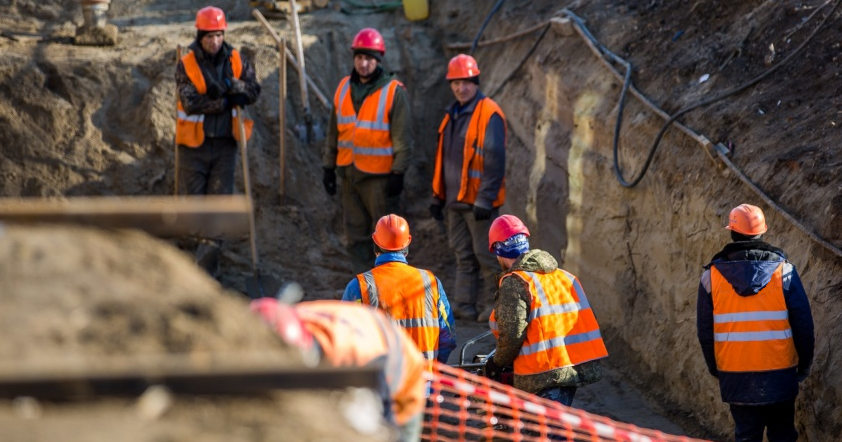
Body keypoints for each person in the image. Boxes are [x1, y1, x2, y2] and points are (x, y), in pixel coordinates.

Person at [697, 204, 814, 442]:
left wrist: (714, 367)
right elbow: (803, 323)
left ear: (732, 233)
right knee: (782, 434)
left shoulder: (711, 277)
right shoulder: (785, 272)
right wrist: (803, 364)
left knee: (747, 436)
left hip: (735, 374)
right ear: (762, 233)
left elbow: (705, 331)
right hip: (780, 374)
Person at [251, 297, 426, 442]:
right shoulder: (284, 322)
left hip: (405, 380)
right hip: (363, 329)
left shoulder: (356, 355)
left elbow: (379, 421)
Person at [484, 214, 607, 407]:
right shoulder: (564, 277)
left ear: (497, 250)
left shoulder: (515, 282)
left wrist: (496, 364)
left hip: (543, 371)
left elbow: (512, 334)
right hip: (573, 368)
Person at [175, 5, 261, 275]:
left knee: (219, 203)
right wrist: (223, 100)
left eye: (218, 35)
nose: (214, 41)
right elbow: (190, 102)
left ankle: (206, 270)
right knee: (194, 206)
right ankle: (189, 258)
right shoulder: (186, 63)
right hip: (193, 146)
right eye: (209, 36)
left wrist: (238, 89)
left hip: (225, 143)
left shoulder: (236, 59)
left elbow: (253, 89)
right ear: (200, 35)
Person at [322, 27, 414, 271]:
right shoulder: (343, 88)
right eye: (360, 58)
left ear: (378, 60)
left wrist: (398, 173)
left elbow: (403, 138)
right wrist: (328, 167)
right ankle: (363, 285)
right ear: (354, 58)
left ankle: (389, 285)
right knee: (355, 235)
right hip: (349, 174)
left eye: (369, 58)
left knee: (388, 238)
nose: (364, 63)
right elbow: (334, 131)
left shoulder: (394, 91)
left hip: (379, 180)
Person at [430, 54, 506, 322]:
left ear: (476, 82)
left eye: (467, 82)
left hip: (478, 204)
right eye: (457, 83)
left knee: (486, 257)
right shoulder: (452, 114)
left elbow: (495, 161)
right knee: (462, 254)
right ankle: (464, 305)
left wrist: (485, 199)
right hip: (455, 201)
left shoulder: (489, 113)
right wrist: (437, 197)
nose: (462, 88)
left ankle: (494, 307)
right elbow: (444, 159)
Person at [341, 214, 457, 364]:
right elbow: (448, 337)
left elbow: (343, 338)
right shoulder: (431, 282)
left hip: (380, 382)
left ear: (375, 243)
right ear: (408, 243)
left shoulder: (359, 286)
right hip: (423, 380)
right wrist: (434, 368)